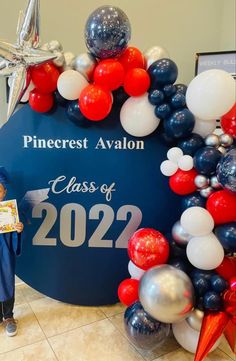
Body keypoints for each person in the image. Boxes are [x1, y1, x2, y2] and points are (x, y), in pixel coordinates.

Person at [0, 167, 24, 337]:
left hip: (4, 253)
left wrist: (18, 230)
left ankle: (8, 316)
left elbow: (13, 237)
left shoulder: (10, 211)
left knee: (7, 281)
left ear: (4, 191)